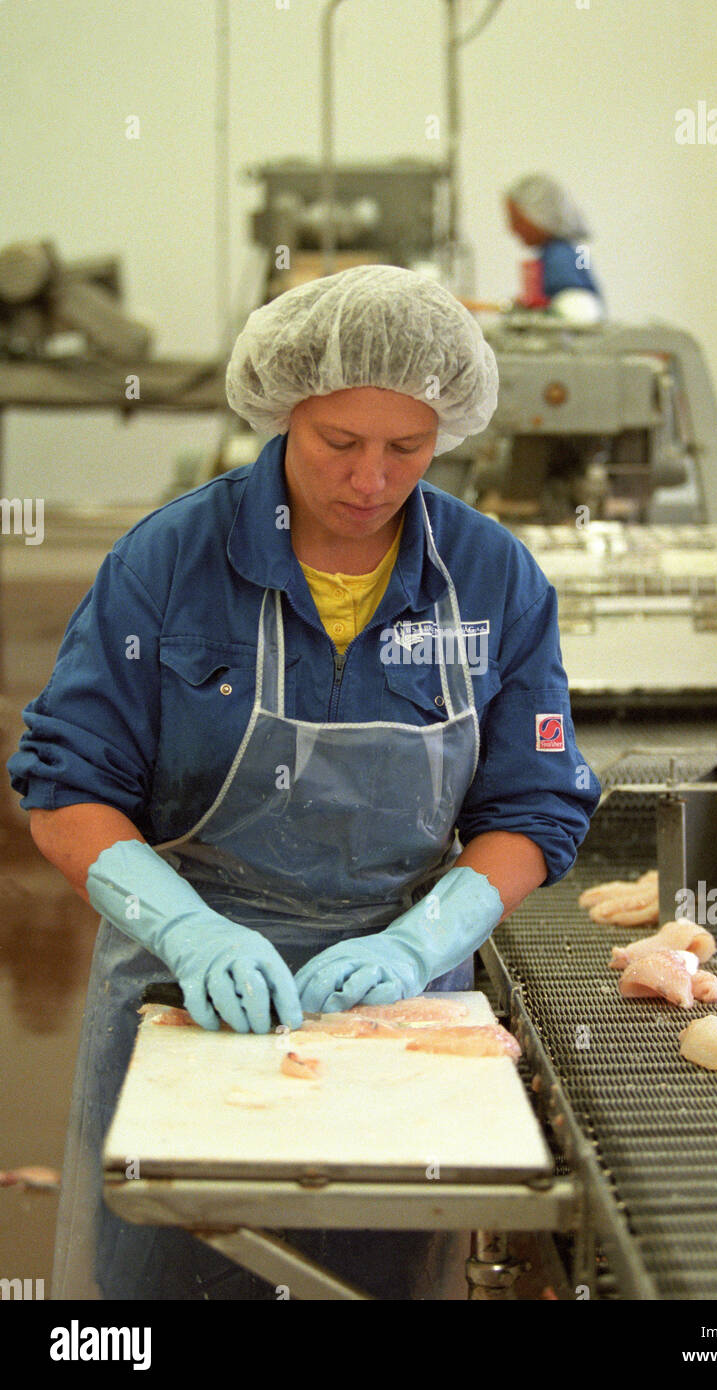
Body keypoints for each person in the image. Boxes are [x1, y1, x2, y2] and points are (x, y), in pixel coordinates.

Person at [9, 264, 600, 1300]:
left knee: (369, 1273)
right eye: (340, 443)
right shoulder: (170, 561)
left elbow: (535, 807)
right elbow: (63, 786)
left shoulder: (493, 578)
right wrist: (189, 930)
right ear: (287, 411)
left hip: (398, 1005)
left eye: (405, 447)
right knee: (168, 1278)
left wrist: (422, 940)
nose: (371, 477)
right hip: (179, 1000)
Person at [505, 173, 605, 324]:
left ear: (540, 215)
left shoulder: (560, 256)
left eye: (517, 219)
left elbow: (579, 309)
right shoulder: (576, 251)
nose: (512, 228)